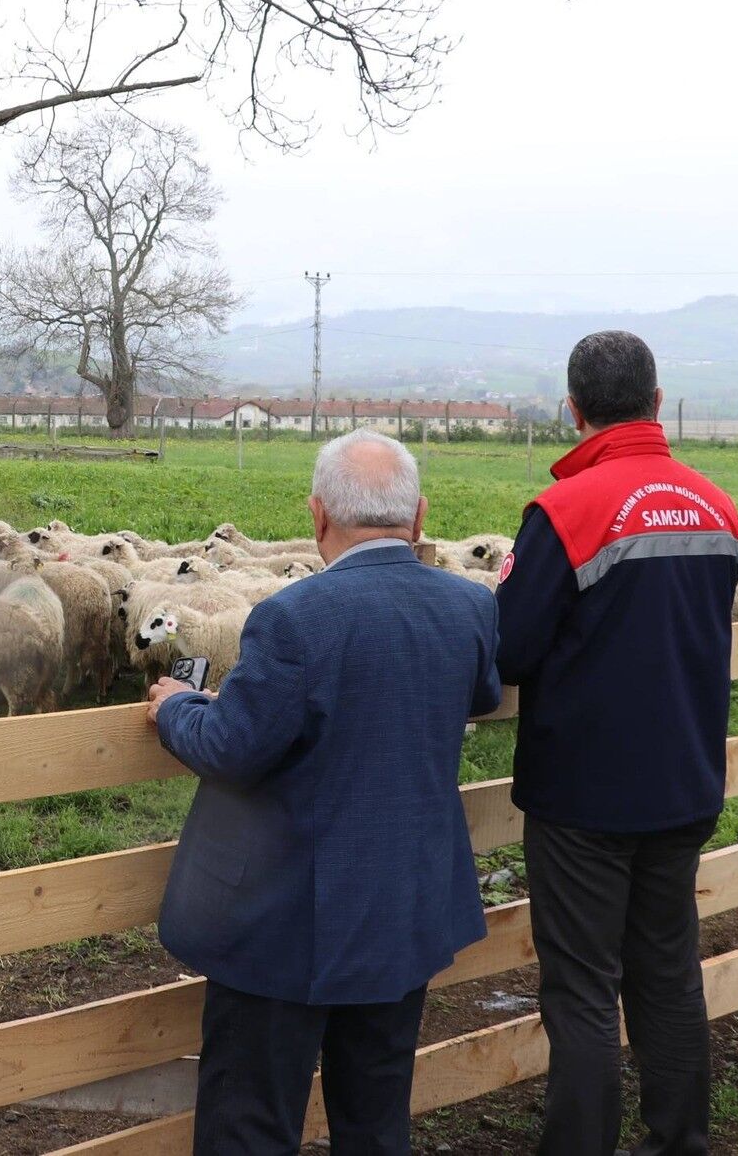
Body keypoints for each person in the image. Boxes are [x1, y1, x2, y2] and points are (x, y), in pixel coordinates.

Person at [146, 429, 499, 1156]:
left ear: (317, 517)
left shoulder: (295, 617)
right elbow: (480, 694)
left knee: (251, 1120)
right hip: (405, 906)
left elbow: (232, 747)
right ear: (419, 517)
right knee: (374, 1116)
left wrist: (176, 705)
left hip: (287, 918)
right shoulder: (468, 607)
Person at [496, 331, 738, 1156]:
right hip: (685, 784)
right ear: (658, 402)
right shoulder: (718, 508)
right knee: (668, 974)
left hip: (585, 799)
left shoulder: (563, 514)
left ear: (573, 410)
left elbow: (511, 649)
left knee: (584, 990)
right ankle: (678, 1141)